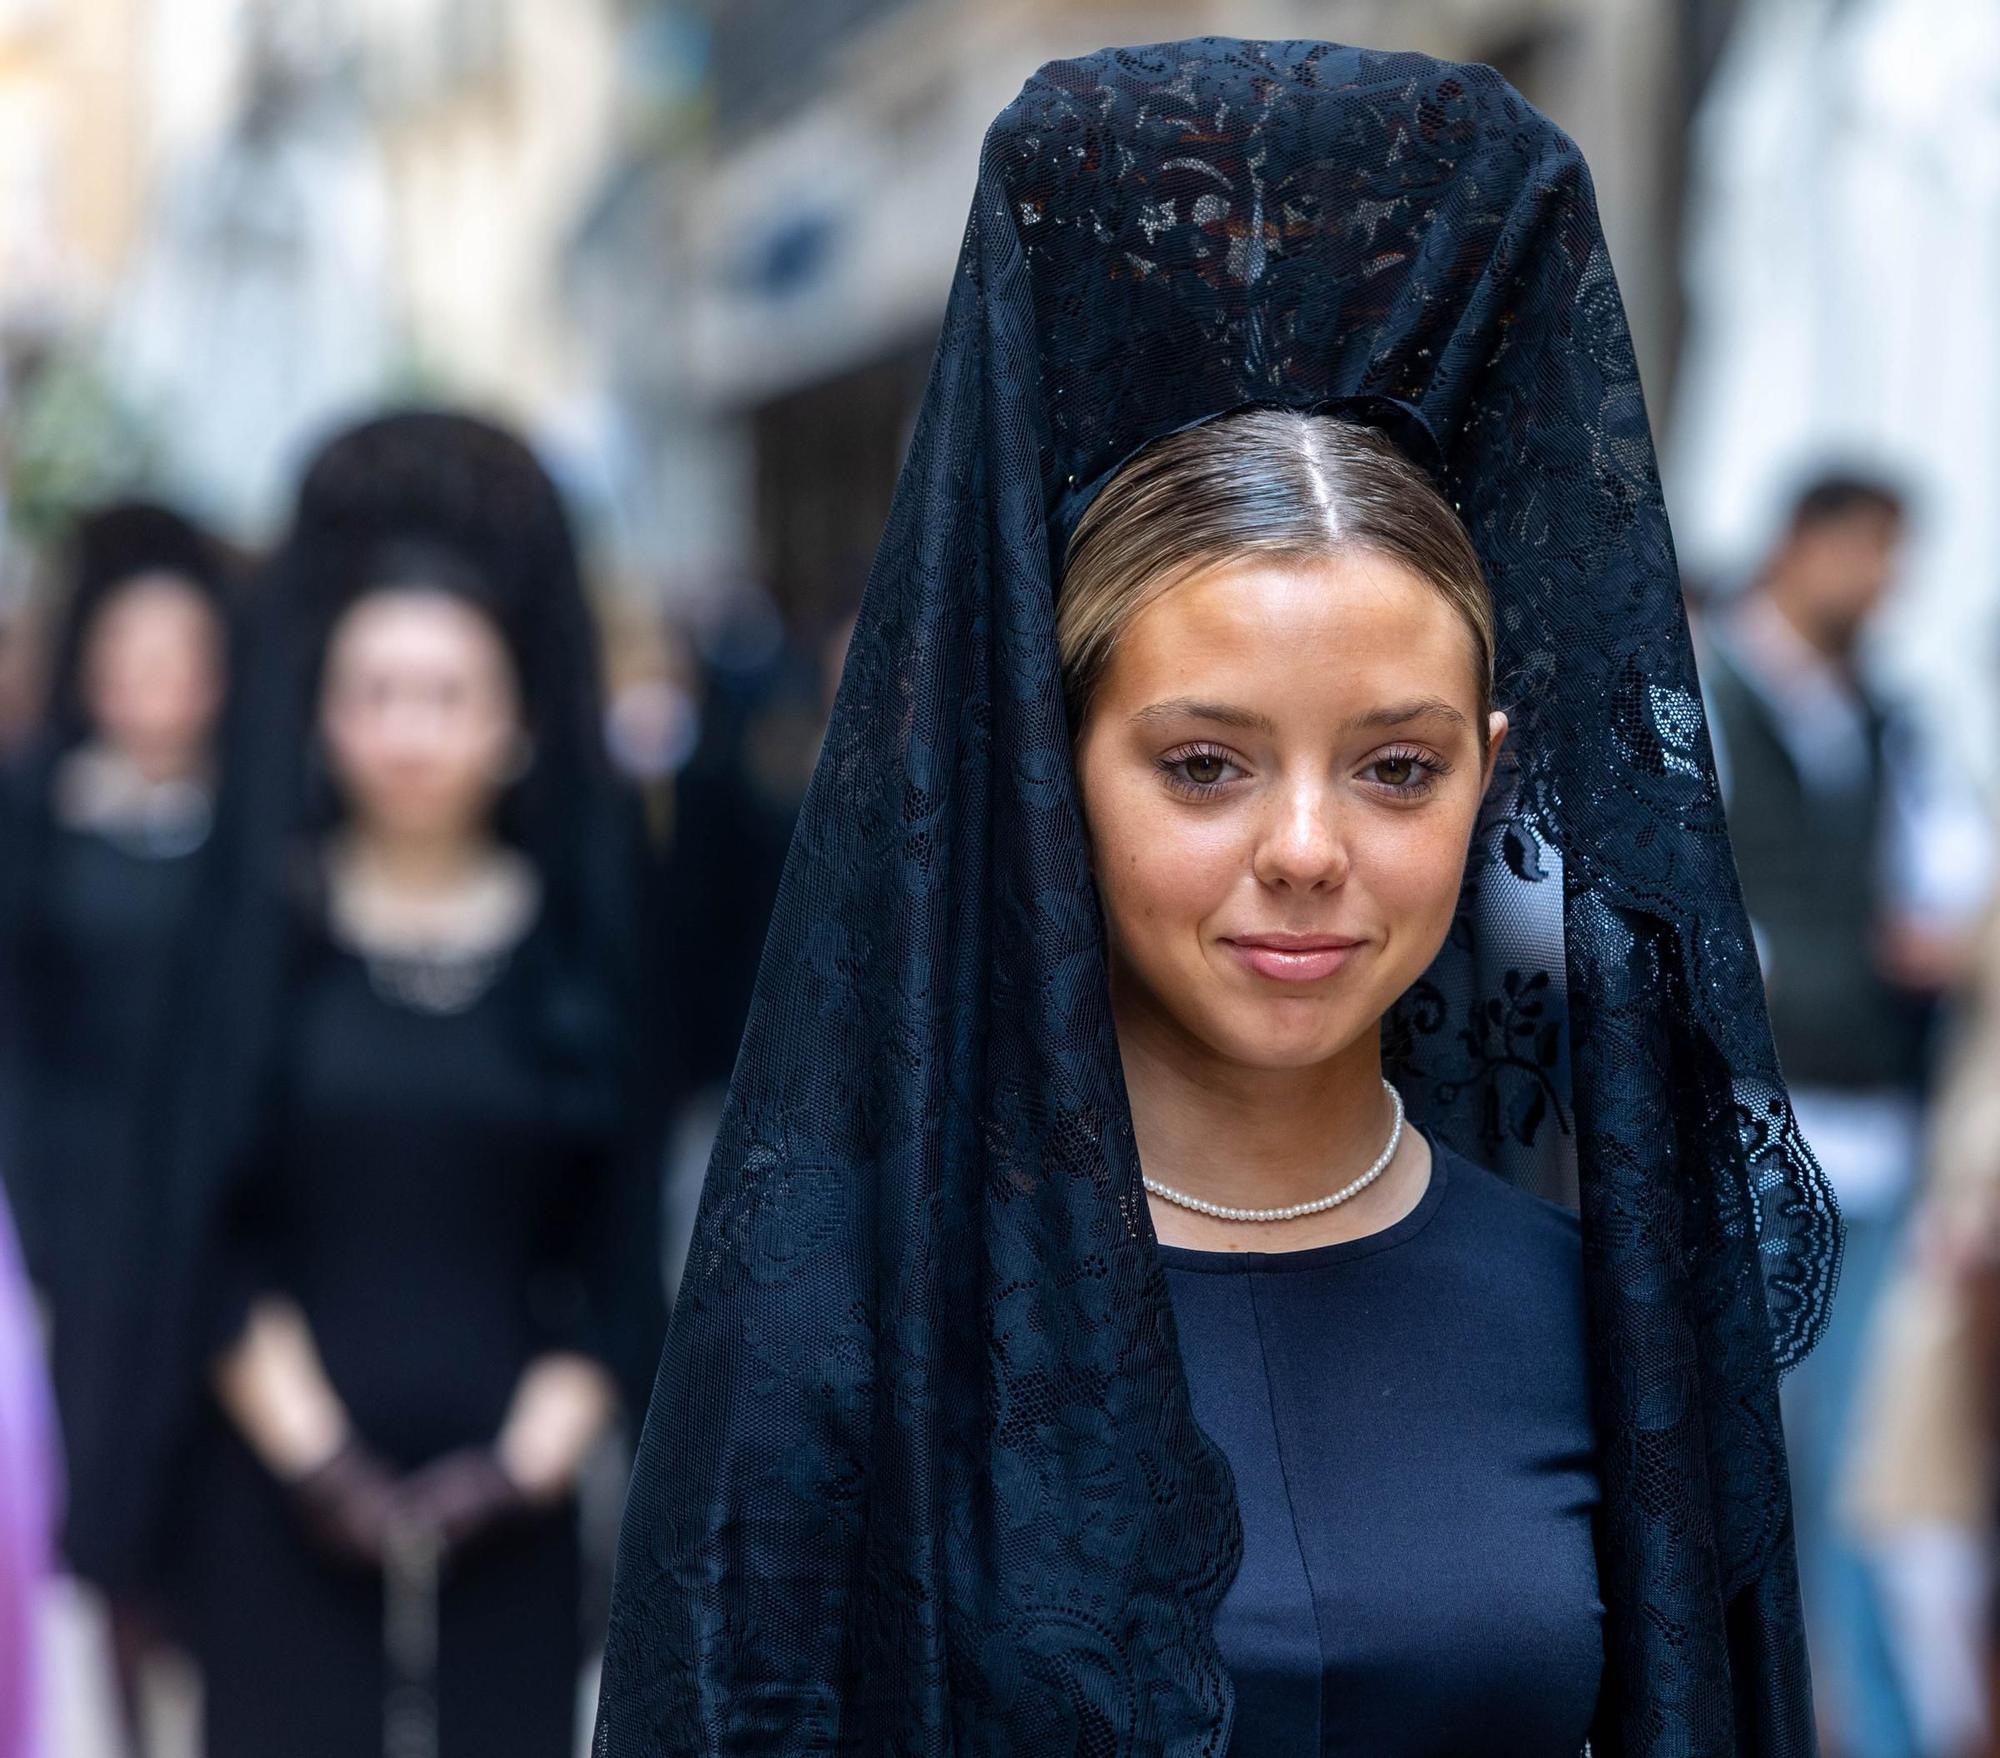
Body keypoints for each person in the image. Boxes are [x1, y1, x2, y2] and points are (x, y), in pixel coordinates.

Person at [595, 40, 1834, 1757]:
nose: (1310, 846)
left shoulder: (1591, 1320)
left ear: (1492, 769)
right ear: (1050, 773)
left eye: (1395, 767)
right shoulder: (870, 1335)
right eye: (1205, 764)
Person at [86, 412, 667, 1757]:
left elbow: (622, 1236)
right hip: (281, 1485)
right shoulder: (252, 946)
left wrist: (521, 1465)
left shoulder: (578, 954)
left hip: (514, 1502)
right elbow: (204, 1221)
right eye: (375, 691)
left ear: (516, 720)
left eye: (447, 692)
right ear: (322, 712)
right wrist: (319, 1462)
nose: (409, 728)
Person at [1700, 475, 1946, 1758]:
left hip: (1876, 1129)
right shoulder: (1705, 689)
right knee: (1745, 1450)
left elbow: (1942, 892)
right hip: (1754, 1129)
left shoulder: (1886, 715)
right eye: (1867, 553)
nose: (1879, 585)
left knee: (1857, 1463)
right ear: (1804, 542)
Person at [0, 500, 233, 1748]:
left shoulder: (257, 829)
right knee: (106, 1520)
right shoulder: (36, 816)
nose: (156, 685)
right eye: (131, 659)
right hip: (83, 1218)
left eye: (180, 659)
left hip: (212, 1204)